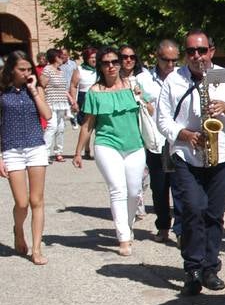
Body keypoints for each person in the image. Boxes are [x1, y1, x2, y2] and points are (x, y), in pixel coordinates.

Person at [156, 31, 225, 296]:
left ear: (211, 51)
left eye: (202, 51)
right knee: (194, 209)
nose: (197, 56)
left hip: (222, 154)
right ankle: (193, 268)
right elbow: (162, 121)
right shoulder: (175, 79)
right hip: (187, 154)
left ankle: (210, 268)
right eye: (192, 51)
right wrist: (185, 135)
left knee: (214, 214)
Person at [73, 47, 150, 256]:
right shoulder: (94, 92)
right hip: (107, 145)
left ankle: (128, 224)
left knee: (134, 192)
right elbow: (88, 124)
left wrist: (141, 98)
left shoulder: (133, 85)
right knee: (118, 189)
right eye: (106, 63)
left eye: (115, 62)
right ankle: (123, 237)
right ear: (100, 66)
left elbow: (151, 111)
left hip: (135, 145)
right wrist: (79, 151)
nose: (111, 66)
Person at [1, 51, 52, 264]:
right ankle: (18, 230)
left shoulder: (36, 89)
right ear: (11, 70)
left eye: (29, 69)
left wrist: (33, 90)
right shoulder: (2, 92)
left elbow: (47, 115)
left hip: (35, 147)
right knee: (21, 203)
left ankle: (37, 249)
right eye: (22, 69)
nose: (26, 73)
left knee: (36, 200)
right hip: (11, 150)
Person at [138, 40, 181, 244]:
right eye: (166, 60)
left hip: (177, 138)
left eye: (174, 60)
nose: (171, 65)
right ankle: (163, 226)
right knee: (160, 186)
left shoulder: (182, 77)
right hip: (156, 139)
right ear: (157, 57)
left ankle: (181, 230)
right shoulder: (143, 79)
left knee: (180, 186)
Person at [42, 48, 73, 163]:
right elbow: (42, 86)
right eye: (60, 56)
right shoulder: (47, 70)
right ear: (55, 58)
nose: (62, 58)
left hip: (62, 103)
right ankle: (45, 154)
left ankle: (58, 152)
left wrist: (71, 99)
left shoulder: (60, 70)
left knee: (60, 128)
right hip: (51, 102)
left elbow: (63, 88)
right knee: (52, 127)